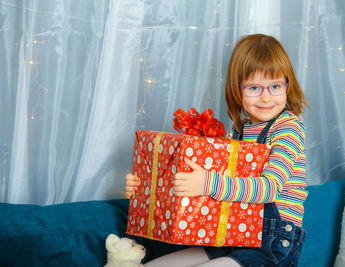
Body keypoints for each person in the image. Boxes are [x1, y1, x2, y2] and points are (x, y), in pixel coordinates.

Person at [126, 33, 308, 267]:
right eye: (254, 87)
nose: (266, 97)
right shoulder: (237, 131)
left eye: (275, 86)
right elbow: (198, 179)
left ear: (287, 85)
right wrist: (145, 185)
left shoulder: (287, 127)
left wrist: (207, 183)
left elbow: (269, 188)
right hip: (230, 235)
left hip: (273, 243)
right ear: (237, 89)